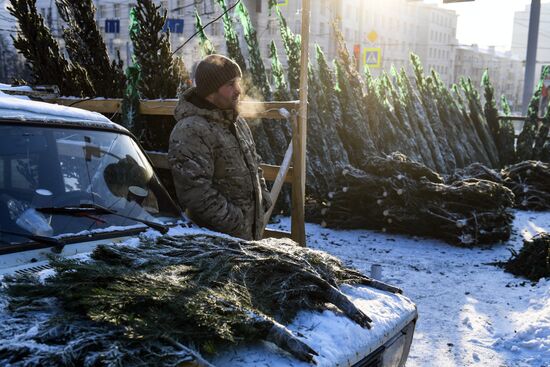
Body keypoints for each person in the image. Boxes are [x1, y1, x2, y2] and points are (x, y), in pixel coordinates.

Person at [168, 54, 272, 240]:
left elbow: (254, 163)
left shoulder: (235, 122)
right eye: (230, 84)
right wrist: (237, 222)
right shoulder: (191, 130)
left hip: (247, 237)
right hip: (219, 244)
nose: (238, 90)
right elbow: (195, 194)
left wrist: (263, 197)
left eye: (238, 82)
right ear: (211, 91)